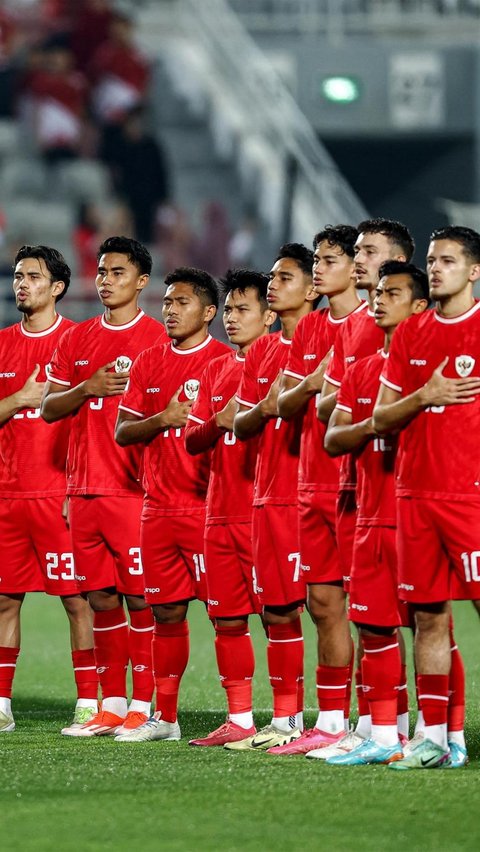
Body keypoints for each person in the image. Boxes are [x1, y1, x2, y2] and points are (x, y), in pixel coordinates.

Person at [41, 236, 166, 737]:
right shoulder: (76, 339)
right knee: (101, 600)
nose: (106, 279)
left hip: (134, 491)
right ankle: (110, 704)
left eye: (118, 272)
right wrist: (86, 388)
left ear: (141, 281)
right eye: (102, 271)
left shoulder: (157, 337)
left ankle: (144, 704)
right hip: (85, 489)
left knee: (141, 600)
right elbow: (49, 408)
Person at [373, 225, 480, 769]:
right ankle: (436, 740)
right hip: (414, 496)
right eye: (433, 260)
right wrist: (426, 394)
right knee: (429, 619)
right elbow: (380, 416)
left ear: (475, 271)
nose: (435, 268)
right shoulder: (413, 334)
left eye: (449, 261)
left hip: (472, 498)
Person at [113, 267, 230, 743]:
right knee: (165, 614)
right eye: (166, 302)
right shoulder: (148, 362)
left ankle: (245, 717)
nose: (170, 310)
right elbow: (123, 432)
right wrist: (164, 418)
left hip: (207, 509)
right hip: (157, 509)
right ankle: (165, 718)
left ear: (208, 312)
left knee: (229, 616)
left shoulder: (225, 361)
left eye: (181, 302)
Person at [323, 261, 429, 765]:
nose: (380, 300)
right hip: (367, 513)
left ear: (420, 306)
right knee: (375, 628)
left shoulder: (434, 366)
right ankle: (384, 735)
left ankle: (440, 735)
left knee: (432, 627)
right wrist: (379, 420)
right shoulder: (362, 368)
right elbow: (332, 437)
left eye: (395, 293)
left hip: (418, 513)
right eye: (379, 292)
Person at [268, 225, 362, 756]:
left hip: (357, 486)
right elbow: (283, 404)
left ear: (355, 267)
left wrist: (319, 390)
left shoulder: (375, 324)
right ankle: (330, 722)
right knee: (323, 605)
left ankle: (379, 725)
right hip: (310, 483)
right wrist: (315, 383)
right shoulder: (309, 330)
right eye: (319, 260)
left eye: (330, 260)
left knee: (375, 613)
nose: (320, 268)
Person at [0, 244, 97, 734]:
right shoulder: (1, 343)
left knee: (79, 600)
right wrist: (16, 398)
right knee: (4, 600)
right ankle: (0, 704)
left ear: (58, 287)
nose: (22, 284)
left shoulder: (79, 342)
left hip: (60, 496)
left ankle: (87, 702)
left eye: (33, 277)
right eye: (18, 276)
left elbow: (93, 423)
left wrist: (77, 488)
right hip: (7, 496)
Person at [228, 243, 317, 751]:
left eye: (284, 278)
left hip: (313, 495)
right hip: (267, 495)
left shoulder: (328, 338)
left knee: (331, 609)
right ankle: (286, 720)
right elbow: (242, 422)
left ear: (310, 288)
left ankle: (352, 722)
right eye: (272, 278)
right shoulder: (262, 350)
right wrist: (269, 405)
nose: (272, 285)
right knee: (278, 610)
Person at [184, 269, 275, 746]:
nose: (233, 319)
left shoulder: (282, 362)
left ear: (269, 314)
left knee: (281, 616)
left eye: (244, 310)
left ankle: (292, 721)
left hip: (263, 512)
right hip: (217, 512)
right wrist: (220, 422)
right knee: (227, 618)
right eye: (231, 310)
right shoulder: (216, 367)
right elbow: (192, 439)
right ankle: (239, 719)